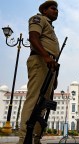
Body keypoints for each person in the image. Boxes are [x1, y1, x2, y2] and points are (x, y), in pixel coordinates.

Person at [18, 1, 59, 144]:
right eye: (53, 8)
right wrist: (46, 56)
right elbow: (33, 37)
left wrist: (55, 77)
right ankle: (25, 138)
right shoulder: (38, 19)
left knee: (42, 104)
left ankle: (34, 138)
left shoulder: (50, 27)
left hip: (49, 66)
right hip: (41, 60)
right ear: (44, 10)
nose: (56, 11)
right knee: (35, 99)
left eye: (57, 9)